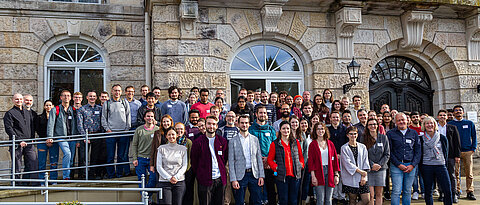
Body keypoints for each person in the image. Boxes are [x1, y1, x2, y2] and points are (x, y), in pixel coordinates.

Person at [191, 115, 229, 205]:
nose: (211, 126)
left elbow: (225, 158)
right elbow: (194, 161)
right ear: (205, 125)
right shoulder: (198, 142)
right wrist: (200, 174)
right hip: (204, 180)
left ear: (216, 126)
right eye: (209, 124)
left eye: (213, 124)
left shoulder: (222, 141)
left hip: (220, 179)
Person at [229, 115, 265, 205]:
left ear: (249, 124)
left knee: (257, 201)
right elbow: (231, 161)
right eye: (242, 123)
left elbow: (259, 159)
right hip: (240, 176)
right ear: (238, 124)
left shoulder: (255, 139)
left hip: (254, 174)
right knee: (239, 202)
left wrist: (261, 176)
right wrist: (233, 179)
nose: (244, 125)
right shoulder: (232, 141)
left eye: (246, 123)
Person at [267, 121, 305, 205]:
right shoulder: (274, 144)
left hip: (295, 176)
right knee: (283, 200)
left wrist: (301, 165)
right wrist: (276, 167)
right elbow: (270, 160)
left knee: (294, 200)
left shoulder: (296, 142)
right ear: (280, 130)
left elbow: (301, 157)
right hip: (282, 177)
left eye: (288, 128)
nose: (286, 130)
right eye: (283, 128)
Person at [388, 113, 421, 205]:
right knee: (396, 191)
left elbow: (418, 151)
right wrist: (398, 164)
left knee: (407, 191)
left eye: (403, 120)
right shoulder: (390, 133)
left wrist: (413, 165)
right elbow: (389, 152)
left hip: (410, 165)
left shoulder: (413, 133)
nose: (401, 122)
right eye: (398, 120)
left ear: (407, 120)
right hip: (396, 166)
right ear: (395, 122)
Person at [4, 93, 38, 183]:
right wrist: (19, 141)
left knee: (32, 162)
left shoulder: (28, 112)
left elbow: (32, 126)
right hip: (17, 144)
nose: (19, 101)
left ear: (23, 100)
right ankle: (16, 185)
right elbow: (9, 129)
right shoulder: (9, 113)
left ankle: (33, 184)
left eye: (20, 99)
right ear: (13, 100)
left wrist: (32, 138)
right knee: (17, 165)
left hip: (29, 142)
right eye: (16, 99)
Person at [419, 116, 453, 205]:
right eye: (427, 123)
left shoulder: (442, 138)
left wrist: (443, 163)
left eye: (431, 123)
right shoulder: (421, 139)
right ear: (424, 125)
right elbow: (420, 154)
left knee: (447, 189)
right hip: (427, 166)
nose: (429, 125)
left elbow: (446, 152)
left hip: (440, 165)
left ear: (434, 125)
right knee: (428, 191)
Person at [101, 84, 131, 178]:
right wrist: (107, 129)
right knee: (110, 156)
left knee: (121, 156)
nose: (117, 92)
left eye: (118, 90)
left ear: (121, 92)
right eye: (115, 90)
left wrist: (127, 129)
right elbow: (103, 118)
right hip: (111, 133)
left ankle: (119, 174)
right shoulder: (107, 103)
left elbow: (128, 116)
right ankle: (111, 175)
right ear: (112, 91)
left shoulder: (124, 102)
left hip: (123, 133)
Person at [249, 106, 277, 205]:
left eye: (264, 113)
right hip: (255, 165)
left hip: (269, 164)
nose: (263, 115)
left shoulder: (271, 130)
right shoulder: (251, 130)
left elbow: (275, 146)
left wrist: (268, 159)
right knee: (255, 191)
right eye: (260, 113)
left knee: (270, 190)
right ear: (256, 114)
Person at [47, 90, 78, 180]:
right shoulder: (55, 109)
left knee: (71, 159)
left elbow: (76, 125)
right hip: (61, 137)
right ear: (61, 98)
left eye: (68, 95)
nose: (66, 97)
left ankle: (68, 175)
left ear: (71, 98)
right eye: (64, 96)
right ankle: (66, 177)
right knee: (67, 153)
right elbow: (51, 124)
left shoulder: (73, 110)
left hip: (71, 137)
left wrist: (77, 138)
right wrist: (50, 137)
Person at [448, 105, 477, 200]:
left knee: (469, 173)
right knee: (455, 173)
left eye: (460, 110)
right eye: (456, 110)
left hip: (468, 151)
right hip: (455, 152)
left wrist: (473, 147)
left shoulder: (469, 123)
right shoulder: (450, 124)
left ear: (463, 112)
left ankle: (470, 191)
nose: (458, 112)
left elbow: (474, 136)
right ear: (453, 113)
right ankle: (457, 190)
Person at [308, 122, 340, 205]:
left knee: (329, 199)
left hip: (330, 172)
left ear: (325, 130)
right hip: (318, 172)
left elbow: (335, 160)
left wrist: (336, 175)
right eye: (318, 129)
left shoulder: (330, 144)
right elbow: (311, 162)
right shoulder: (312, 145)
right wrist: (313, 176)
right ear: (315, 131)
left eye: (322, 128)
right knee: (320, 199)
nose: (320, 131)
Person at [156, 127, 188, 205]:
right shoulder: (161, 149)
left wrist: (176, 177)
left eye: (173, 134)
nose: (171, 136)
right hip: (164, 182)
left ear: (177, 135)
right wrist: (169, 177)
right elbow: (159, 166)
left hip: (179, 182)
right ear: (166, 136)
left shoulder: (183, 149)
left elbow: (184, 165)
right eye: (169, 135)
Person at [77, 91, 105, 179]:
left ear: (96, 98)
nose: (92, 98)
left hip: (97, 135)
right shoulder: (82, 109)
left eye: (94, 96)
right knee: (83, 157)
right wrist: (84, 136)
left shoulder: (100, 109)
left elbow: (103, 122)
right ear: (87, 97)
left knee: (95, 157)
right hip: (86, 135)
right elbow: (79, 124)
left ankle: (92, 174)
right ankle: (83, 175)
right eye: (90, 96)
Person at [131, 110, 159, 196]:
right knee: (141, 179)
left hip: (152, 159)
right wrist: (135, 158)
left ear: (154, 118)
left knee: (153, 178)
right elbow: (134, 145)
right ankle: (145, 199)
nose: (149, 118)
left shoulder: (157, 129)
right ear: (144, 118)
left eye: (151, 116)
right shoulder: (139, 130)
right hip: (141, 159)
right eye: (148, 116)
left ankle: (147, 196)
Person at [341, 126, 370, 205]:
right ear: (347, 135)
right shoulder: (344, 148)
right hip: (350, 177)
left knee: (366, 200)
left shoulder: (362, 147)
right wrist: (361, 172)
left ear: (357, 135)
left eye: (355, 134)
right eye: (351, 134)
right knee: (352, 200)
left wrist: (363, 176)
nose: (353, 136)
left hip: (362, 177)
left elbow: (365, 161)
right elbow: (347, 163)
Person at [363, 119, 390, 205]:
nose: (372, 126)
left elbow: (387, 154)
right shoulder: (363, 138)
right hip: (369, 169)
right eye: (370, 124)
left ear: (377, 125)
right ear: (367, 126)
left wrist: (379, 165)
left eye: (374, 124)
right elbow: (363, 154)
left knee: (379, 194)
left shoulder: (383, 138)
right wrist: (371, 164)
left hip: (381, 169)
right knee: (371, 195)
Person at [437, 109, 461, 203]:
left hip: (450, 155)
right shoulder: (435, 127)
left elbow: (457, 143)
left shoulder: (452, 127)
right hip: (438, 155)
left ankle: (453, 193)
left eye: (444, 115)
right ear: (438, 117)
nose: (442, 117)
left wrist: (457, 156)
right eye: (440, 115)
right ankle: (441, 193)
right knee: (439, 175)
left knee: (451, 175)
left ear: (447, 117)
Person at [36, 100, 59, 181]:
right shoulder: (39, 117)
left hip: (54, 142)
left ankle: (53, 179)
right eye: (47, 105)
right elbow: (38, 129)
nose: (48, 107)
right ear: (44, 106)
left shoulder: (57, 117)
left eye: (50, 105)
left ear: (53, 106)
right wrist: (46, 138)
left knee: (54, 162)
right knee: (42, 162)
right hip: (42, 141)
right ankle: (42, 180)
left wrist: (51, 138)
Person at [328, 111, 348, 204]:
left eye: (337, 117)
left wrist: (341, 154)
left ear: (339, 118)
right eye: (333, 117)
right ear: (330, 118)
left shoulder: (344, 129)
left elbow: (347, 143)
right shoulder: (327, 130)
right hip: (331, 156)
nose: (335, 119)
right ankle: (335, 196)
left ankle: (342, 196)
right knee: (333, 176)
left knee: (342, 176)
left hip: (343, 156)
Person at [175, 123, 194, 205]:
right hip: (174, 171)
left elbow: (190, 157)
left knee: (188, 191)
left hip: (187, 170)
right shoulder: (172, 141)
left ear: (184, 130)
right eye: (177, 129)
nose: (179, 131)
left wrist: (185, 169)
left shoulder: (188, 142)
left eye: (181, 129)